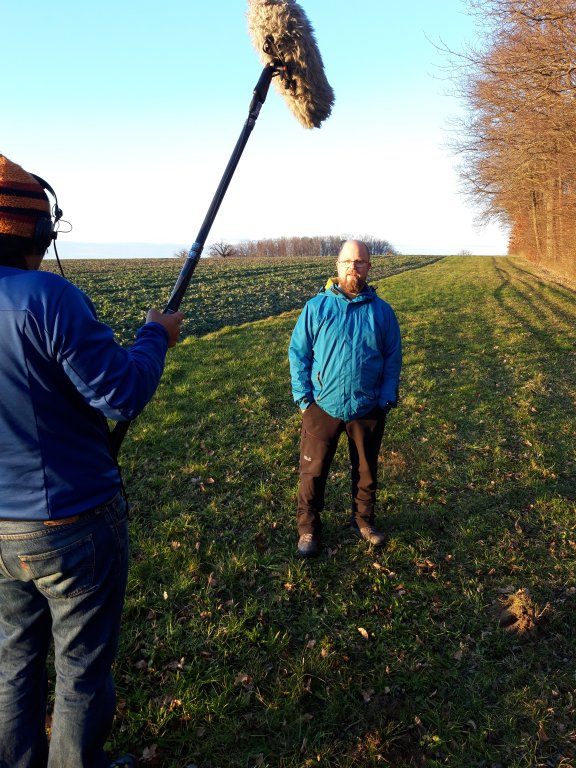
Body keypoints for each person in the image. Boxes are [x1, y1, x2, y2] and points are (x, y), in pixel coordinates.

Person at [0, 154, 184, 768]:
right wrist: (156, 333)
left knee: (12, 664)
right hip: (73, 524)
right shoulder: (46, 297)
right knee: (80, 669)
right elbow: (121, 392)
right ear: (36, 232)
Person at [288, 239, 402, 557]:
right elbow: (298, 354)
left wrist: (385, 398)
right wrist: (304, 400)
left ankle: (363, 522)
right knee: (313, 472)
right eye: (348, 261)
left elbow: (393, 358)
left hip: (368, 406)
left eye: (360, 262)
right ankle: (308, 530)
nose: (354, 267)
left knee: (366, 470)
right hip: (322, 405)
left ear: (369, 267)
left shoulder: (382, 312)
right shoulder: (316, 307)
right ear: (337, 265)